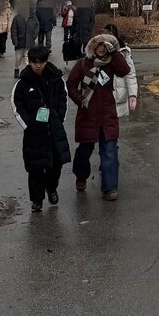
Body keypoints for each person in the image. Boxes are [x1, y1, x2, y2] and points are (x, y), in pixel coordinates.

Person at [66, 33, 132, 200]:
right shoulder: (83, 64)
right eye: (99, 45)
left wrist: (115, 52)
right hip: (87, 115)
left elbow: (125, 70)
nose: (102, 48)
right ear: (93, 47)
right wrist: (81, 100)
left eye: (105, 46)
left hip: (107, 114)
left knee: (109, 150)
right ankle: (81, 175)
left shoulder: (111, 63)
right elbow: (71, 84)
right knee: (84, 151)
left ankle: (110, 187)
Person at [12, 46, 70, 212]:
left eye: (41, 62)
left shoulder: (56, 79)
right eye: (34, 62)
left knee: (55, 166)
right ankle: (37, 200)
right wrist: (28, 125)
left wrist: (59, 118)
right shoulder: (23, 83)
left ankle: (51, 188)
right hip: (34, 134)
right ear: (29, 62)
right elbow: (17, 105)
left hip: (54, 130)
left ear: (46, 61)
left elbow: (63, 99)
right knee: (35, 168)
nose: (38, 65)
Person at [103, 23, 138, 119]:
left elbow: (130, 74)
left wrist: (132, 95)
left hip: (119, 95)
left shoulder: (124, 51)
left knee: (113, 123)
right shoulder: (99, 50)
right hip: (103, 96)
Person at [11, 8, 40, 78]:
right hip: (20, 41)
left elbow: (37, 26)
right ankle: (16, 69)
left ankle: (29, 71)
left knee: (28, 57)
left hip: (29, 41)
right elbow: (14, 30)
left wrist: (34, 36)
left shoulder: (33, 17)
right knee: (18, 58)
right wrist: (15, 40)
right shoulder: (17, 18)